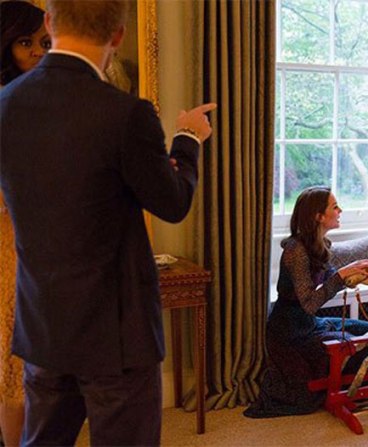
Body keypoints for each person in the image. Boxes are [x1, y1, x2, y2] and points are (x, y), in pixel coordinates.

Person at [0, 0, 216, 445]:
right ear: (117, 35)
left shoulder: (5, 105)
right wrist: (188, 138)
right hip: (117, 337)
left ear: (49, 22)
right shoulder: (126, 114)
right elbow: (173, 202)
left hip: (43, 326)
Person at [244, 186, 368, 418]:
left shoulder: (321, 244)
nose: (340, 210)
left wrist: (357, 271)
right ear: (318, 216)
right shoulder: (296, 251)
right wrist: (340, 277)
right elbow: (310, 303)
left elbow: (331, 278)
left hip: (308, 322)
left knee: (367, 330)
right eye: (335, 207)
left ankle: (354, 390)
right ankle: (342, 391)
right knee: (347, 343)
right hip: (289, 332)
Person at [0, 2, 50, 445]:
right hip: (8, 243)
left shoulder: (46, 100)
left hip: (42, 241)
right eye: (25, 41)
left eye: (43, 42)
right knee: (13, 367)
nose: (37, 51)